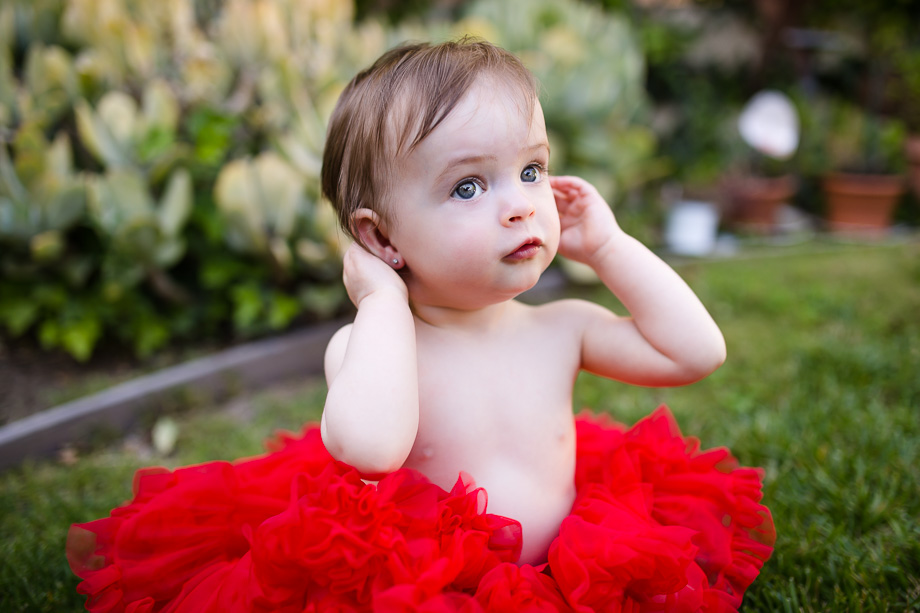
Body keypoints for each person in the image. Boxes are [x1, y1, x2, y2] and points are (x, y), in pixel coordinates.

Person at [68, 39, 774, 612]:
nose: (521, 205)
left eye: (532, 170)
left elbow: (695, 351)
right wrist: (379, 303)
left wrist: (608, 247)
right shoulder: (372, 349)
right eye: (469, 186)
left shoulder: (562, 327)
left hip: (563, 571)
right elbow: (372, 446)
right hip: (421, 587)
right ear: (382, 239)